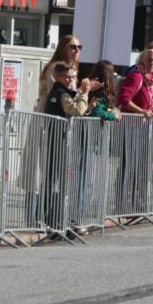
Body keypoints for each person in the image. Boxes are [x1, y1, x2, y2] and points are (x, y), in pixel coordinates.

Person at [42, 62, 91, 236]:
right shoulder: (61, 93)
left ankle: (60, 220)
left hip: (61, 141)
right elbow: (76, 110)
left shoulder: (64, 91)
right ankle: (53, 221)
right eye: (67, 77)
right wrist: (84, 94)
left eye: (72, 76)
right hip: (58, 142)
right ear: (58, 77)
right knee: (57, 182)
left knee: (61, 182)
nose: (71, 80)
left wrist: (82, 95)